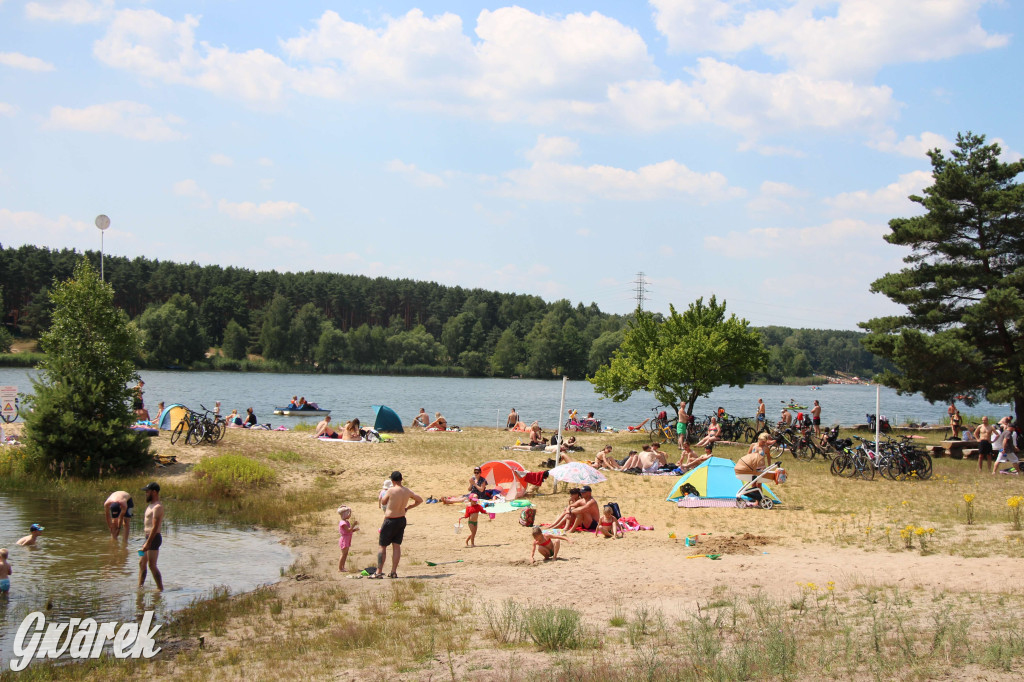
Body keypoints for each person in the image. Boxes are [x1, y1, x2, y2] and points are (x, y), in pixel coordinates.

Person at [374, 471, 422, 579]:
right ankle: (393, 571)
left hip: (390, 519)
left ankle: (378, 571)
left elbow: (383, 502)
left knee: (382, 546)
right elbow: (419, 500)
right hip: (401, 519)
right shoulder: (407, 491)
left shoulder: (391, 490)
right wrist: (408, 507)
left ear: (392, 480)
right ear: (401, 479)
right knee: (396, 546)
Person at [139, 482, 164, 591]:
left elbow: (155, 526)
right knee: (141, 562)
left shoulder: (158, 507)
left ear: (154, 492)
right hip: (147, 538)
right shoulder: (150, 505)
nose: (146, 494)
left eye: (147, 491)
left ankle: (160, 588)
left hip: (153, 539)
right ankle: (140, 587)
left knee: (152, 565)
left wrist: (148, 543)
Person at [337, 506, 359, 572]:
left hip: (347, 538)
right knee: (343, 554)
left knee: (346, 554)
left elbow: (349, 531)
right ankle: (340, 568)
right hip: (344, 539)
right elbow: (348, 530)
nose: (350, 515)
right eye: (349, 514)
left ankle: (342, 567)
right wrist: (353, 525)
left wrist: (354, 530)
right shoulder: (343, 523)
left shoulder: (346, 521)